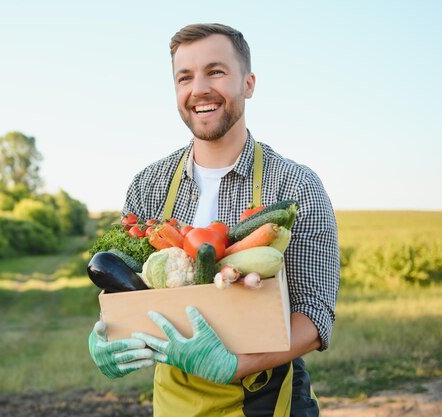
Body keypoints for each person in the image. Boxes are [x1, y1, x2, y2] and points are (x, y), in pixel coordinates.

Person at [88, 23, 340, 417]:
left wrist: (233, 366)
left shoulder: (295, 185)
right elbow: (129, 287)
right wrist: (110, 332)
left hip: (266, 397)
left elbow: (315, 315)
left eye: (216, 72)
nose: (199, 89)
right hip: (174, 401)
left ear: (249, 83)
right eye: (185, 77)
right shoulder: (148, 186)